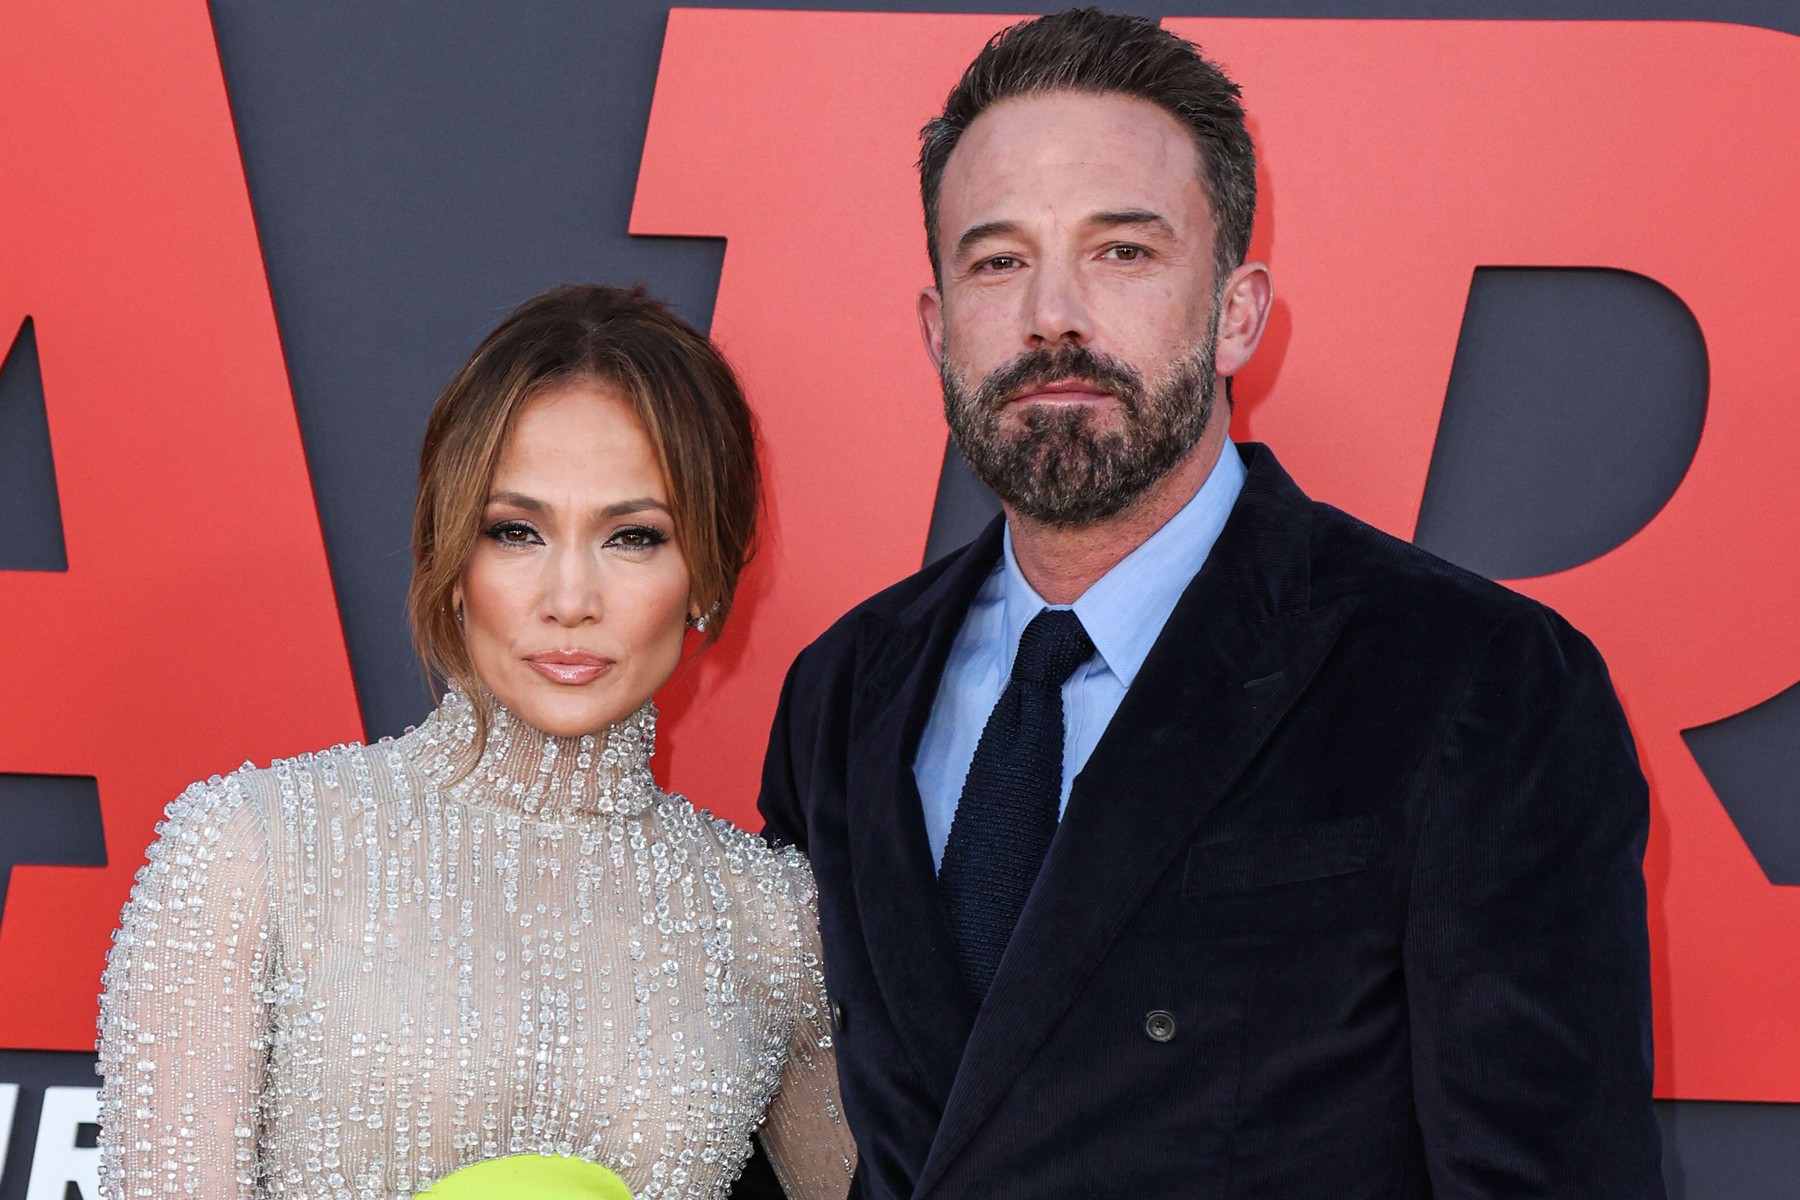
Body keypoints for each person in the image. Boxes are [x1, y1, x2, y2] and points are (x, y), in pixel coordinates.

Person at [757, 10, 1664, 1198]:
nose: (1052, 315)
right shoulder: (844, 693)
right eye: (998, 261)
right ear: (938, 330)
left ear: (1238, 312)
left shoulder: (1472, 683)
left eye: (1123, 252)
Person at [97, 284, 856, 1199]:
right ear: (453, 559)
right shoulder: (250, 851)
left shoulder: (771, 921)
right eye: (517, 532)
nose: (570, 599)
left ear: (707, 575)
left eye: (632, 536)